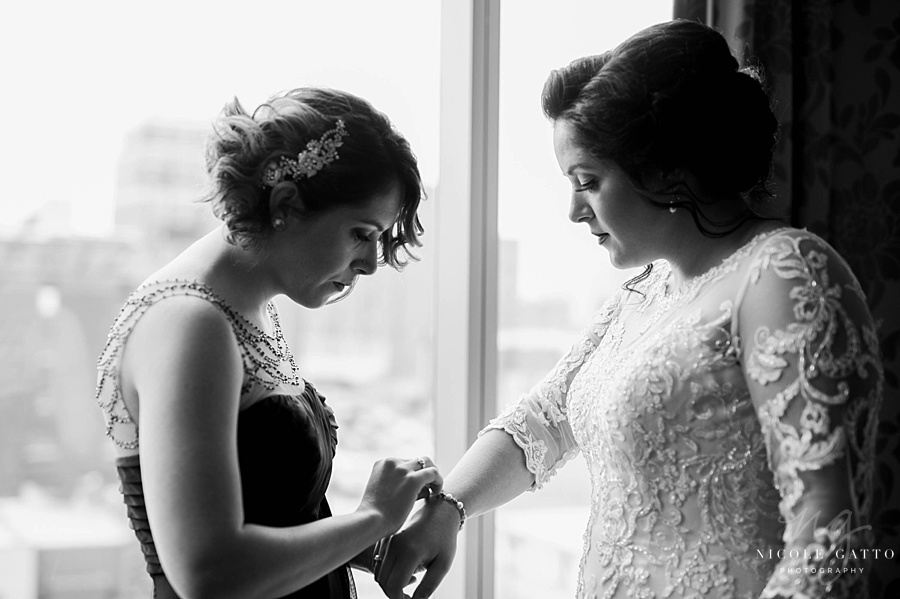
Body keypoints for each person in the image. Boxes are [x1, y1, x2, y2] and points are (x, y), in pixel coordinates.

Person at [375, 19, 883, 599]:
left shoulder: (785, 276)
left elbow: (831, 537)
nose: (573, 210)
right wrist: (449, 509)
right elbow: (544, 419)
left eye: (587, 181)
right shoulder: (644, 294)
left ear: (664, 167)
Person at [94, 87, 443, 599]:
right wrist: (371, 517)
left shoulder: (250, 309)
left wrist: (374, 540)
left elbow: (273, 517)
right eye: (360, 233)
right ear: (286, 204)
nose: (371, 262)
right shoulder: (190, 324)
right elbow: (209, 575)